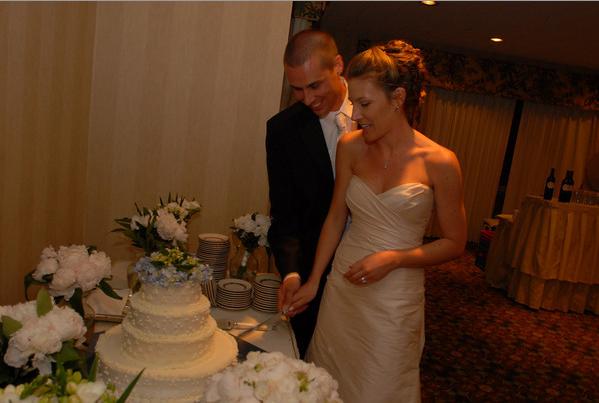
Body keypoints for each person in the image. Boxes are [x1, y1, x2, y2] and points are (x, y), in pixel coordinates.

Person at [288, 40, 467, 402]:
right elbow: (336, 216)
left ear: (398, 98)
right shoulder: (351, 147)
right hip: (343, 287)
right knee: (327, 383)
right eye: (354, 103)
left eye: (365, 104)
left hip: (394, 297)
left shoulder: (441, 162)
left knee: (380, 385)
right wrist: (314, 280)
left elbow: (454, 242)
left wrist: (396, 258)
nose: (356, 115)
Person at [265, 30, 354, 358]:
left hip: (371, 272)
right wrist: (291, 273)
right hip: (312, 278)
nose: (307, 98)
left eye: (315, 85)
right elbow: (284, 215)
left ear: (338, 66)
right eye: (297, 89)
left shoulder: (377, 113)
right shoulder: (282, 130)